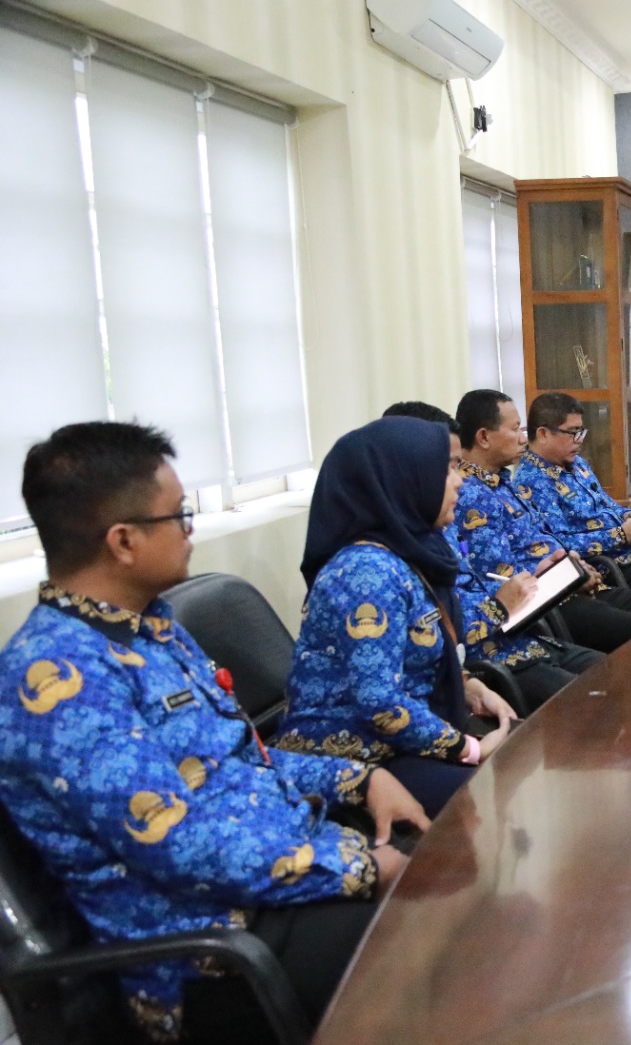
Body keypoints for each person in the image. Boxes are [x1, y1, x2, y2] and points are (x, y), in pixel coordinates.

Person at [0, 422, 427, 1043]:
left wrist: (361, 778)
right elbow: (178, 845)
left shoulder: (150, 629)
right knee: (444, 941)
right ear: (123, 541)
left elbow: (233, 764)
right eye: (178, 515)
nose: (190, 529)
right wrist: (358, 863)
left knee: (456, 889)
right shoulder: (59, 678)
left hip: (273, 885)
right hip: (208, 949)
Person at [276, 417, 517, 818]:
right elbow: (378, 703)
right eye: (446, 469)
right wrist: (467, 748)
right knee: (495, 798)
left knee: (526, 761)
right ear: (405, 480)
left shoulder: (412, 551)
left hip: (401, 739)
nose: (459, 482)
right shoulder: (366, 571)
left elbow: (414, 656)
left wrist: (468, 686)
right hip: (356, 755)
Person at [383, 400, 605, 714]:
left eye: (456, 466)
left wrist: (535, 577)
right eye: (447, 468)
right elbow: (429, 644)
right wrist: (500, 605)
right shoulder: (380, 560)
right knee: (601, 700)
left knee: (613, 673)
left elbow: (479, 583)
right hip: (489, 662)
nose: (459, 479)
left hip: (516, 640)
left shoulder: (437, 528)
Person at [459, 390, 631, 650]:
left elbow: (554, 536)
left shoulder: (503, 483)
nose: (522, 439)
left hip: (582, 579)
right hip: (555, 601)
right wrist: (575, 570)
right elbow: (505, 575)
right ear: (484, 437)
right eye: (516, 429)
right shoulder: (482, 494)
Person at [516, 391, 631, 605]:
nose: (579, 441)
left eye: (581, 432)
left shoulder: (577, 464)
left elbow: (607, 506)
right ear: (543, 434)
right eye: (572, 433)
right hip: (606, 569)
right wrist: (620, 535)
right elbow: (559, 545)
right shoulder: (530, 482)